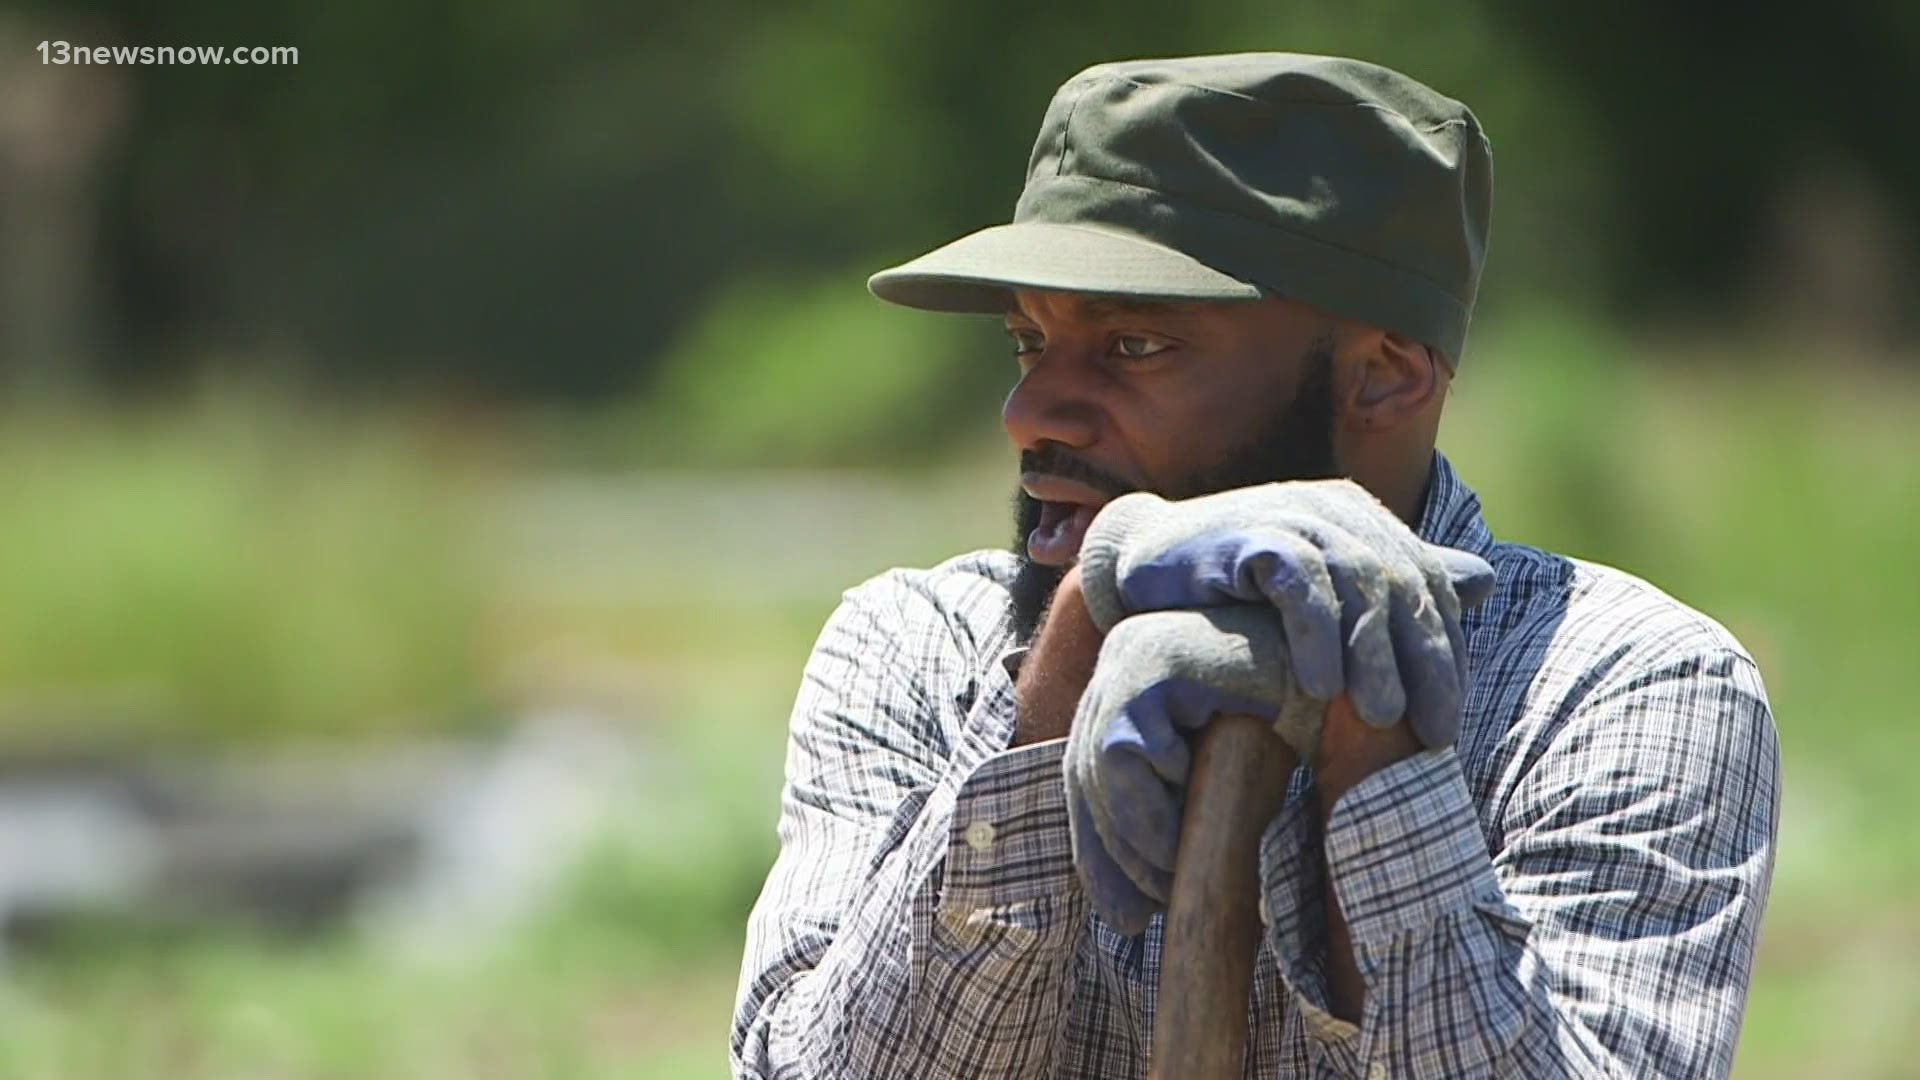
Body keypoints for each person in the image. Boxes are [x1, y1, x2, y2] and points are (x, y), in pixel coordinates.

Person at [731, 53, 1779, 1079]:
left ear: (1384, 377)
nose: (1028, 414)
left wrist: (1371, 725)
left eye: (1135, 346)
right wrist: (1063, 677)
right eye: (1028, 343)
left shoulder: (1625, 686)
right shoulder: (917, 648)